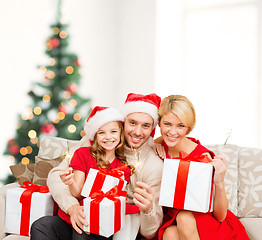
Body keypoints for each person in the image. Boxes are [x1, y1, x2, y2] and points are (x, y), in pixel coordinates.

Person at [30, 93, 164, 240]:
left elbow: (150, 232)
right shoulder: (96, 143)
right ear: (123, 123)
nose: (138, 132)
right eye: (132, 123)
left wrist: (148, 210)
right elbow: (56, 177)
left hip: (111, 227)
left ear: (152, 128)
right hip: (79, 214)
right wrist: (72, 207)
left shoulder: (153, 164)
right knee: (41, 226)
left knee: (83, 233)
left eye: (145, 126)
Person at [153, 94, 250, 240]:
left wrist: (219, 181)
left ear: (189, 128)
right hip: (175, 218)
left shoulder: (202, 158)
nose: (172, 132)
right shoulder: (160, 144)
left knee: (184, 218)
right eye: (167, 124)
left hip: (208, 221)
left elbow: (220, 216)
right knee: (169, 234)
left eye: (180, 126)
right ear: (159, 123)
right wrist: (152, 144)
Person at [59, 106, 134, 239]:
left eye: (113, 131)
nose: (108, 137)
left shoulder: (123, 168)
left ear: (120, 134)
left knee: (81, 233)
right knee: (41, 224)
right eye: (101, 133)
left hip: (100, 223)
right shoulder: (82, 154)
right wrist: (70, 182)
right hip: (76, 214)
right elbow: (77, 193)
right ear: (95, 135)